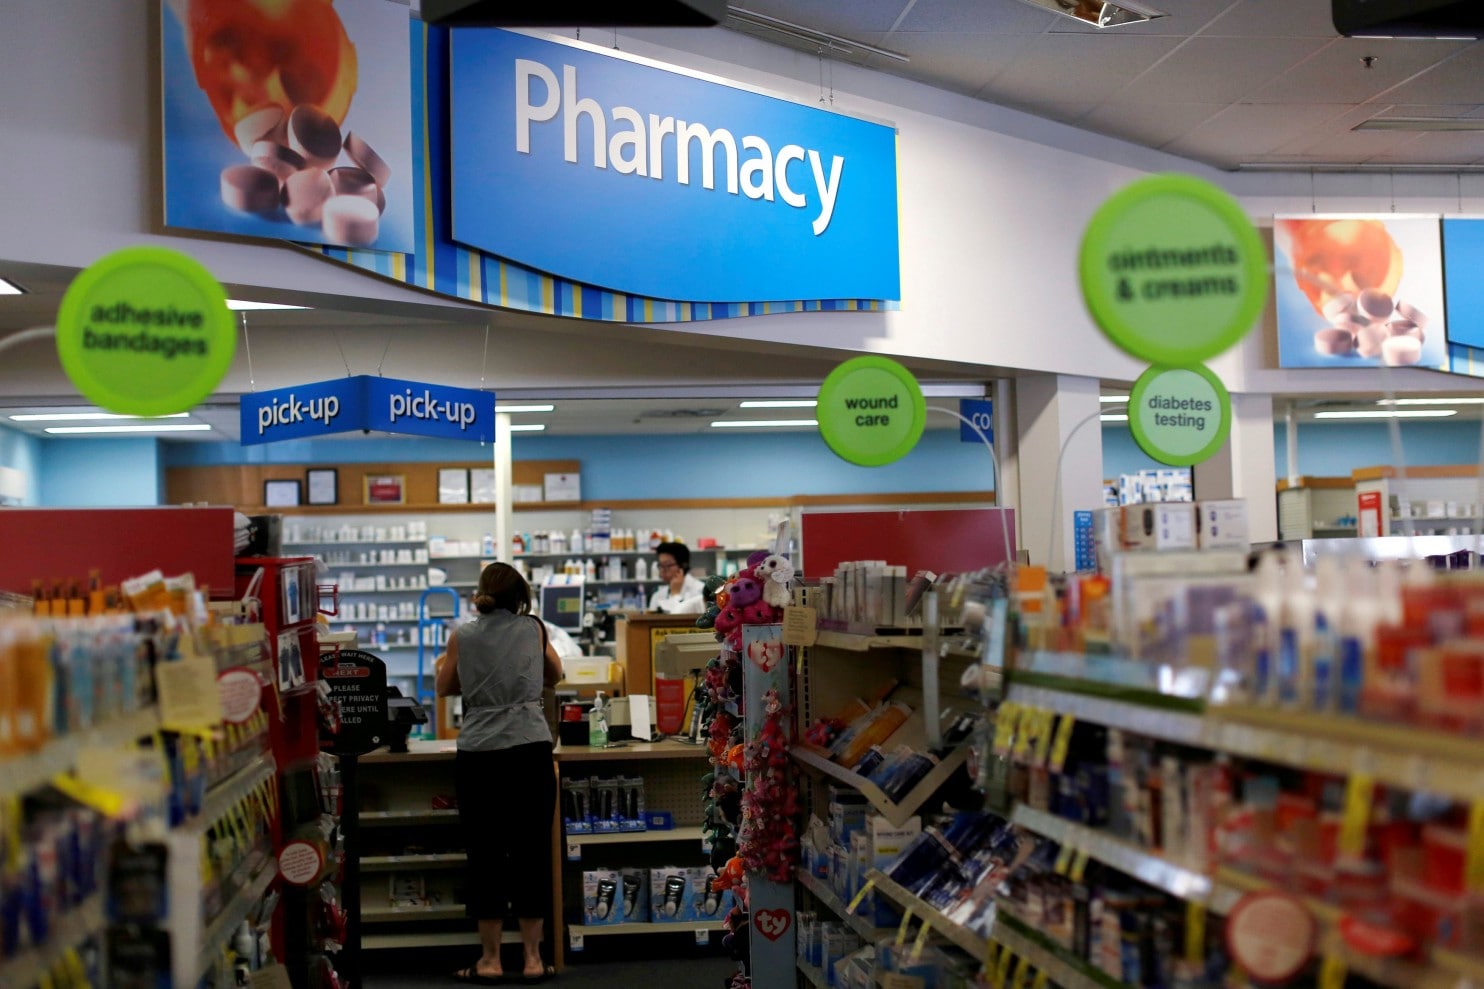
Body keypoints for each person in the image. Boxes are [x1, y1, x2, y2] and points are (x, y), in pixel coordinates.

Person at [436, 562, 564, 984]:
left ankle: (489, 960)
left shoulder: (462, 635)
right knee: (531, 853)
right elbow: (556, 674)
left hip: (480, 755)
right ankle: (531, 958)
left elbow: (443, 686)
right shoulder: (535, 628)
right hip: (529, 750)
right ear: (521, 596)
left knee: (485, 855)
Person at [647, 541, 705, 614]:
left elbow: (677, 619)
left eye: (667, 565)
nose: (662, 570)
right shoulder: (657, 595)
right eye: (660, 565)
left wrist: (675, 594)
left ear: (683, 566)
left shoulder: (700, 591)